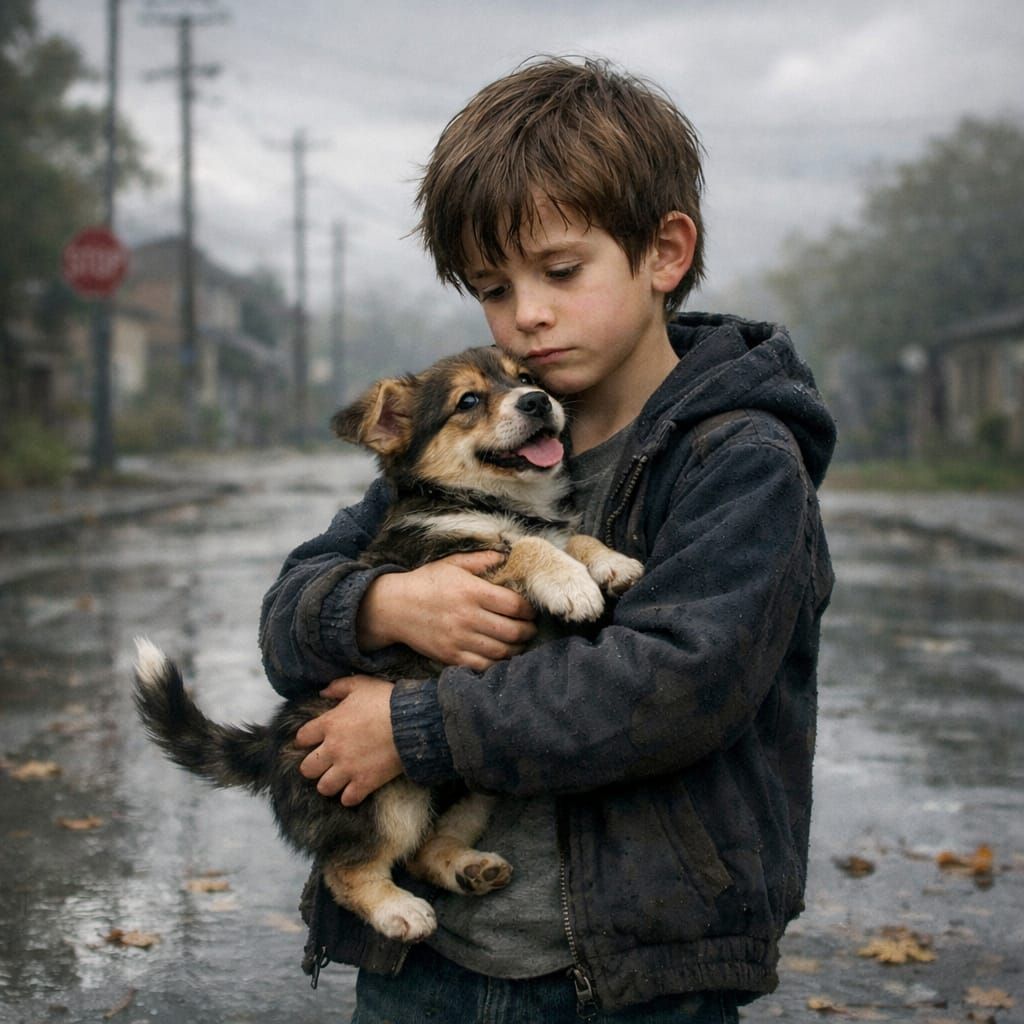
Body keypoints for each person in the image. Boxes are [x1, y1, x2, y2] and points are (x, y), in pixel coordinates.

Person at [259, 56, 835, 1023]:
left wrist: (412, 727)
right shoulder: (469, 458)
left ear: (664, 252)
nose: (525, 314)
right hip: (426, 967)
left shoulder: (741, 460)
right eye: (492, 287)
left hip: (638, 977)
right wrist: (380, 603)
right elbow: (288, 615)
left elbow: (676, 686)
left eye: (560, 272)